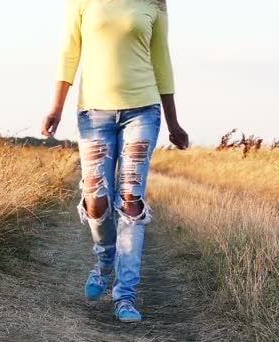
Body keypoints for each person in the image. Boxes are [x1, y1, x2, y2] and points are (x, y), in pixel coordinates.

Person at [41, 0, 188, 323]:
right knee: (96, 200)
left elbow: (161, 61)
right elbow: (69, 52)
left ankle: (125, 294)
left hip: (143, 111)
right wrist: (56, 108)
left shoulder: (154, 3)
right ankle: (106, 257)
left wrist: (174, 123)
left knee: (131, 199)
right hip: (94, 113)